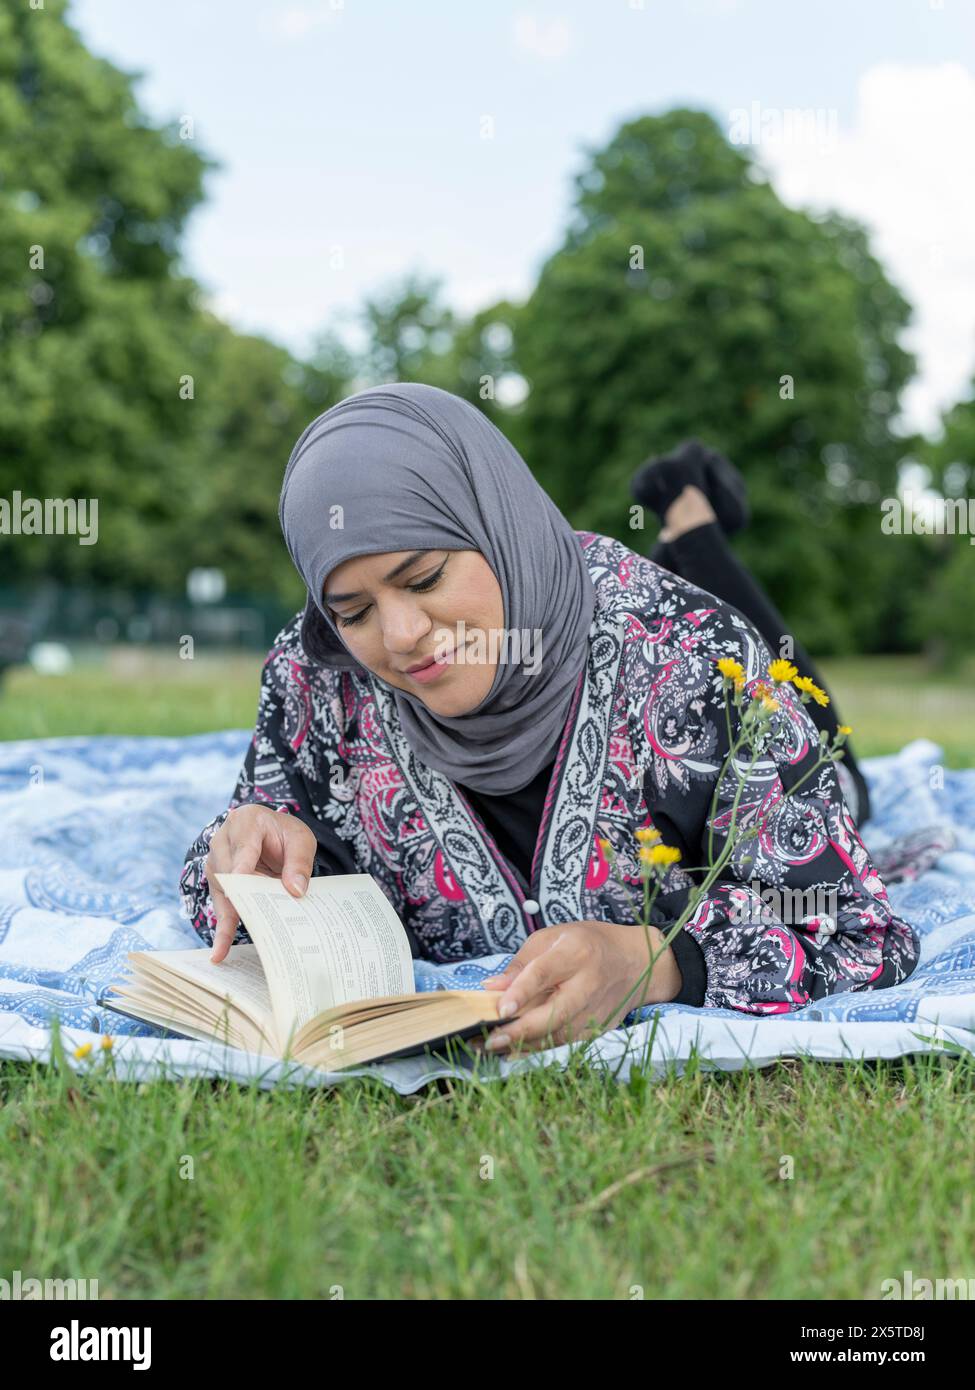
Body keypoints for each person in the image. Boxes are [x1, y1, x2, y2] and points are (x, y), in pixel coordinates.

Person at [179, 383, 920, 1056]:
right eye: (354, 610)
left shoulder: (693, 657)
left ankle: (690, 523)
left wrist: (657, 964)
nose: (401, 634)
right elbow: (261, 859)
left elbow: (856, 928)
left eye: (425, 577)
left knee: (804, 713)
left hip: (734, 682)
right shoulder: (318, 678)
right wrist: (244, 851)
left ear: (497, 531)